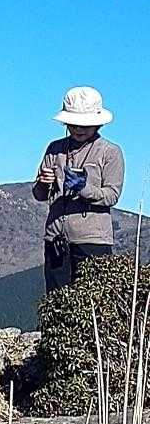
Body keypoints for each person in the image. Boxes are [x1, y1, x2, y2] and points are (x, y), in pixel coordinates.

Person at [33, 86, 125, 292]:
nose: (78, 129)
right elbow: (39, 194)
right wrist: (43, 183)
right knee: (56, 300)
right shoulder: (54, 149)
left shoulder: (110, 152)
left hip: (93, 241)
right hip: (56, 239)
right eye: (73, 124)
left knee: (93, 300)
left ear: (98, 123)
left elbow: (112, 195)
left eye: (84, 124)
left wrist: (83, 188)